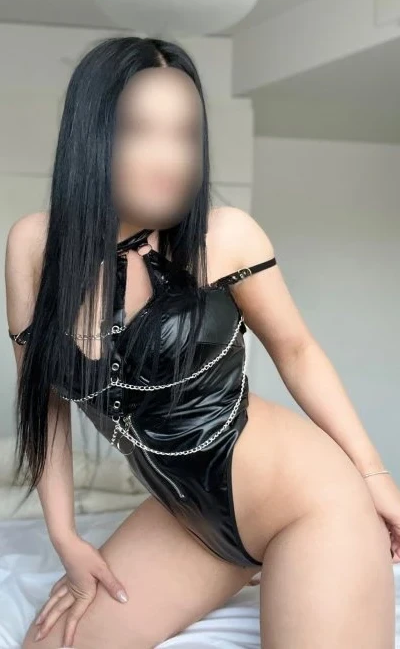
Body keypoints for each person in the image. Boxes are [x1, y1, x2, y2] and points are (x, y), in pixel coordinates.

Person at [5, 36, 397, 649]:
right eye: (140, 129)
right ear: (92, 134)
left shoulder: (227, 235)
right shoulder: (33, 246)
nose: (170, 157)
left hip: (306, 502)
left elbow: (297, 352)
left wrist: (374, 476)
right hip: (187, 519)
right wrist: (66, 537)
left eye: (186, 134)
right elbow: (44, 405)